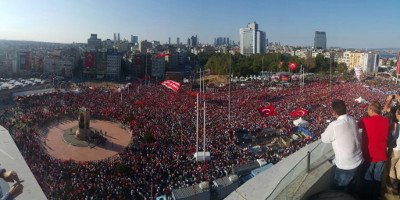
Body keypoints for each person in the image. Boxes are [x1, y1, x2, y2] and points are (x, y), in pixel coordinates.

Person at [321, 99, 363, 191]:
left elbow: (324, 139)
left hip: (346, 166)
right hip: (358, 160)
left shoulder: (334, 125)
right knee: (352, 190)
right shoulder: (352, 119)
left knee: (338, 191)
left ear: (334, 112)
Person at [358, 101, 390, 200]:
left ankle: (367, 197)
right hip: (381, 155)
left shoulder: (365, 121)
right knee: (378, 178)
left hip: (369, 156)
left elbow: (357, 125)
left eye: (368, 110)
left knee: (367, 178)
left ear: (371, 110)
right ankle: (375, 196)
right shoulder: (386, 121)